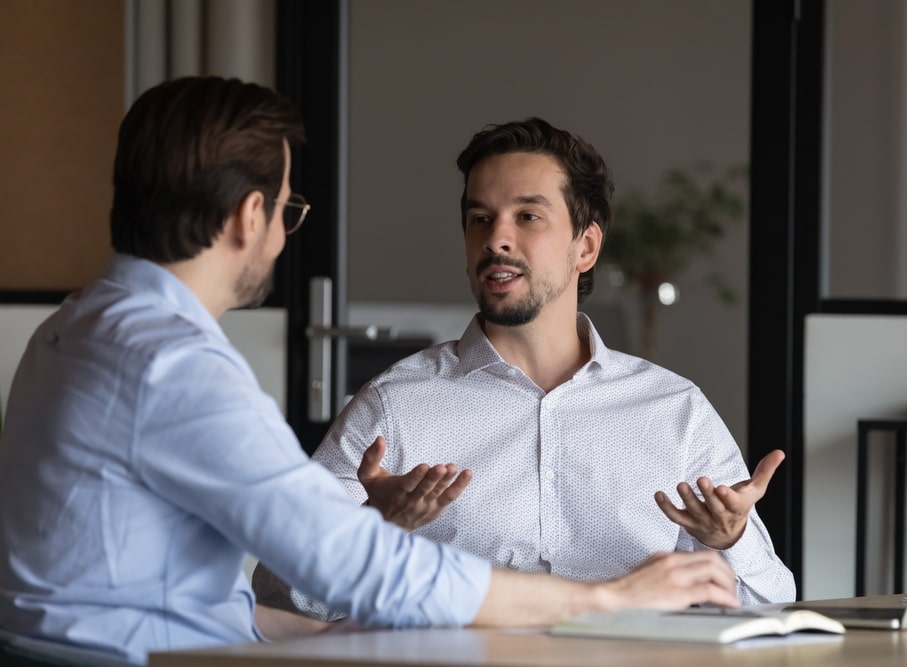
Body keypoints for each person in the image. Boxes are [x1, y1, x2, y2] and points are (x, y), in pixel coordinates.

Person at [0, 78, 740, 665]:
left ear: (587, 245)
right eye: (290, 213)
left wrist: (332, 633)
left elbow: (170, 592)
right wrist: (604, 601)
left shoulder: (74, 325)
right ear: (247, 217)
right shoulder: (175, 366)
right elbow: (348, 560)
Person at [253, 117, 795, 620]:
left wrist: (730, 537)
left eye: (528, 216)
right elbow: (278, 600)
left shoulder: (675, 411)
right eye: (479, 219)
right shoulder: (394, 407)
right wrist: (372, 530)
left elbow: (770, 604)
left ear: (585, 247)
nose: (496, 239)